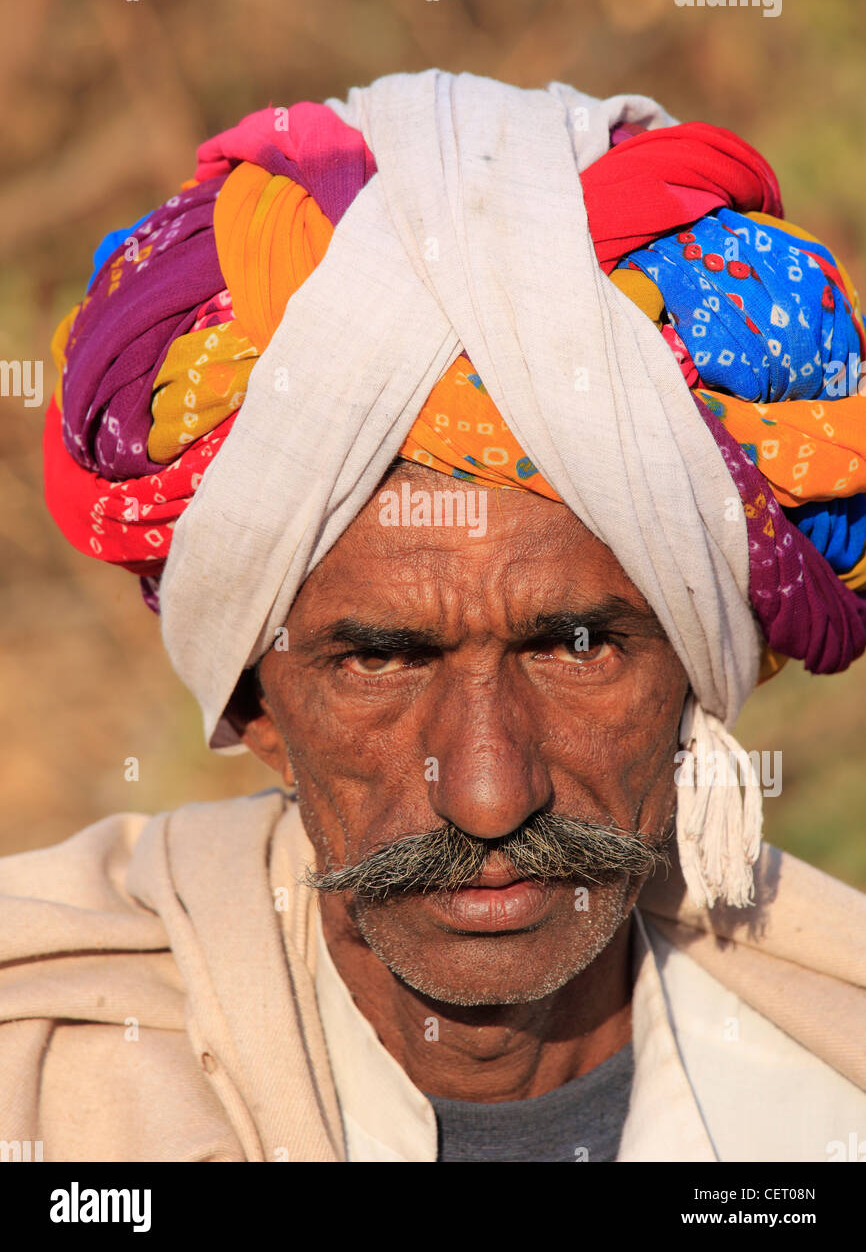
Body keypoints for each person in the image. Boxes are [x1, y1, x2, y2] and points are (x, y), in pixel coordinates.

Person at [2, 70, 865, 1163]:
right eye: (381, 662)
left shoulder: (827, 1092)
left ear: (693, 679)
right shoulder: (44, 1087)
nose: (489, 792)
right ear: (255, 705)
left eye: (575, 647)